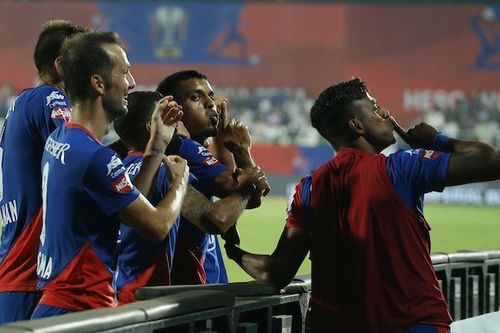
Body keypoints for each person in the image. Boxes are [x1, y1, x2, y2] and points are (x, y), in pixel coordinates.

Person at [225, 77, 500, 333]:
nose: (387, 115)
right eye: (376, 108)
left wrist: (234, 250)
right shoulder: (401, 169)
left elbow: (276, 271)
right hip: (414, 324)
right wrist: (436, 140)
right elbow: (492, 161)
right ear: (356, 125)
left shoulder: (307, 189)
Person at [31, 31, 189, 319]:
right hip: (79, 312)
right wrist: (180, 182)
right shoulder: (95, 156)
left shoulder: (61, 139)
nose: (131, 83)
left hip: (57, 306)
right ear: (99, 83)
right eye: (125, 72)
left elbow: (126, 207)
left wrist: (155, 148)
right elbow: (155, 226)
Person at [112, 91, 265, 303]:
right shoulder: (167, 169)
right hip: (149, 301)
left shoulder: (116, 169)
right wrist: (246, 188)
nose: (179, 122)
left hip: (115, 295)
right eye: (173, 116)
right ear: (153, 126)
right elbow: (215, 219)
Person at [0, 20, 86, 324]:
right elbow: (80, 160)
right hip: (31, 271)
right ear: (62, 66)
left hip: (18, 267)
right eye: (88, 60)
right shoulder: (50, 99)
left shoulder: (23, 103)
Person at [156, 70, 269, 285]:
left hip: (199, 279)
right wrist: (242, 151)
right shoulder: (183, 149)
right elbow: (250, 193)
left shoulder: (188, 148)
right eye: (196, 97)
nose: (211, 104)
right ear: (174, 110)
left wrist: (224, 143)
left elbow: (241, 191)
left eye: (211, 95)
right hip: (193, 289)